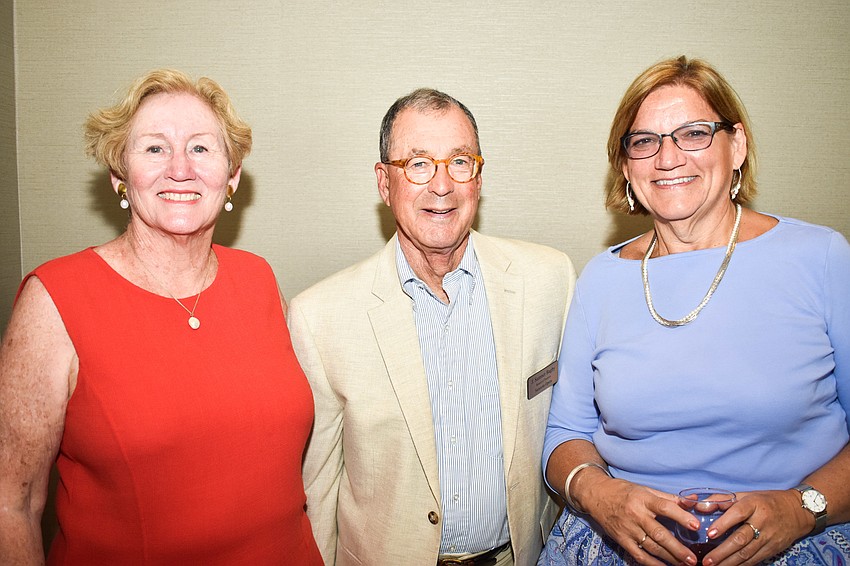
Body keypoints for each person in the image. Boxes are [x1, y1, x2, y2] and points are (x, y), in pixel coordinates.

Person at [0, 69, 323, 564]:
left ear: (231, 175)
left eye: (200, 148)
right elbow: (12, 504)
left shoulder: (259, 279)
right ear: (119, 176)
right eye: (154, 148)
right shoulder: (55, 299)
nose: (180, 169)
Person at [539, 55, 850, 566]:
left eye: (694, 133)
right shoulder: (601, 277)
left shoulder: (820, 258)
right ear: (625, 164)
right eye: (645, 141)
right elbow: (564, 435)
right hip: (618, 545)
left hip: (796, 543)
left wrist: (802, 507)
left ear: (738, 146)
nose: (668, 158)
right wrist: (602, 497)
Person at [288, 88, 576, 566]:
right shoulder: (320, 317)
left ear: (478, 178)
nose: (442, 185)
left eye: (459, 162)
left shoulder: (550, 281)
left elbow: (577, 430)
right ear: (384, 183)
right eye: (418, 164)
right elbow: (317, 492)